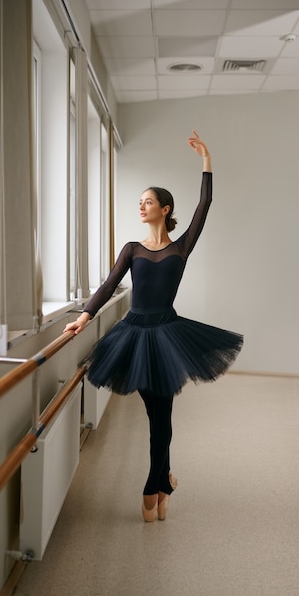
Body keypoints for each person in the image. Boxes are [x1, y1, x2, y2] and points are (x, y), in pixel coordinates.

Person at [64, 130, 243, 522]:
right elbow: (110, 285)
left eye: (148, 202)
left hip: (168, 334)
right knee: (155, 414)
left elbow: (205, 205)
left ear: (165, 209)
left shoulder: (181, 247)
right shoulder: (132, 248)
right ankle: (163, 482)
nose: (141, 207)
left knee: (163, 416)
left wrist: (207, 160)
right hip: (134, 335)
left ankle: (155, 485)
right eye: (140, 202)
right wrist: (83, 317)